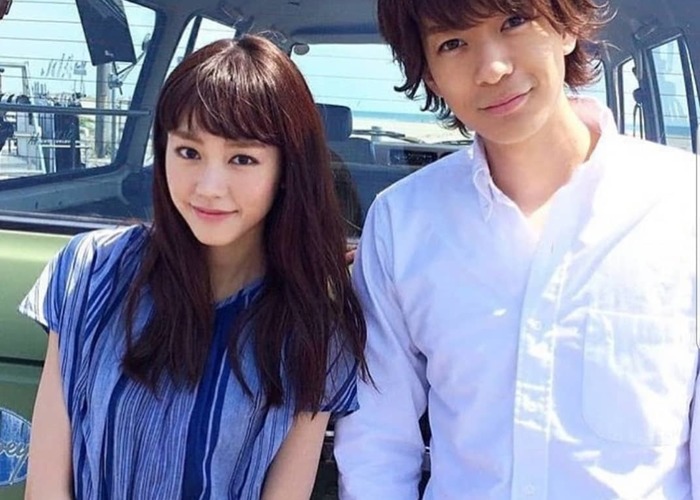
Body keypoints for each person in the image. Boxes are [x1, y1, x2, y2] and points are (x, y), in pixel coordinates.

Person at [334, 0, 697, 498]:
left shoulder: (684, 204)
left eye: (514, 22)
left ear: (567, 27)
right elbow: (376, 439)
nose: (492, 68)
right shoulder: (401, 222)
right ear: (430, 76)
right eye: (453, 43)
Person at [20, 35, 367, 500]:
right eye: (188, 152)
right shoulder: (90, 270)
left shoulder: (315, 325)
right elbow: (45, 486)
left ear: (287, 171)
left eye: (242, 158)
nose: (208, 186)